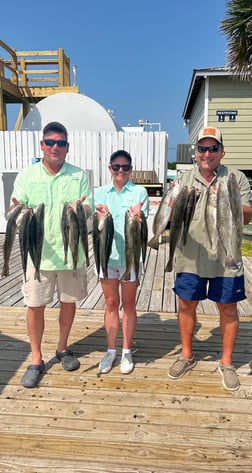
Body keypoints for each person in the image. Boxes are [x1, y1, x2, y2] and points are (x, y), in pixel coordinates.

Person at [168, 127, 252, 391]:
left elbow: (247, 216)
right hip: (189, 256)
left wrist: (231, 199)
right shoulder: (183, 179)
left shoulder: (236, 178)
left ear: (222, 152)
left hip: (226, 257)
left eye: (213, 148)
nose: (207, 153)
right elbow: (171, 217)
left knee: (228, 308)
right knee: (186, 304)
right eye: (202, 148)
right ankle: (186, 355)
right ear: (196, 152)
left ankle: (226, 363)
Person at [11, 122, 93, 388]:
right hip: (38, 255)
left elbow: (88, 208)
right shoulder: (26, 175)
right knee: (35, 306)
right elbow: (14, 209)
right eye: (50, 142)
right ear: (42, 145)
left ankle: (62, 347)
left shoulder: (79, 175)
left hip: (71, 255)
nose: (55, 147)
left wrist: (84, 209)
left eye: (60, 143)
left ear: (67, 147)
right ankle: (36, 359)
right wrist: (18, 211)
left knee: (68, 302)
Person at [94, 150, 149, 375]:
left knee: (128, 304)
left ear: (130, 169)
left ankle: (126, 350)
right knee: (110, 303)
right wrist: (98, 215)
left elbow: (141, 225)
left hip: (130, 258)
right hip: (106, 257)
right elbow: (96, 224)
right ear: (110, 168)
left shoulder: (139, 192)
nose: (120, 171)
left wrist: (139, 215)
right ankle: (110, 350)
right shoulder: (100, 192)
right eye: (116, 167)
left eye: (125, 167)